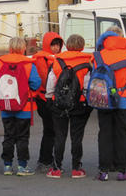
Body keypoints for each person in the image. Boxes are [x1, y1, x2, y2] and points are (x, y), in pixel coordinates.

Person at [0, 37, 41, 176]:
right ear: (23, 48)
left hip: (6, 106)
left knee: (8, 136)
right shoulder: (29, 64)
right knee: (23, 137)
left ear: (10, 47)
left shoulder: (0, 63)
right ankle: (22, 166)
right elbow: (36, 83)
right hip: (24, 107)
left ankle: (7, 165)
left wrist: (2, 97)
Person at [44, 34, 92, 179]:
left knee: (60, 135)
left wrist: (49, 98)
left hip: (59, 103)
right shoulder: (87, 61)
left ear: (67, 45)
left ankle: (56, 168)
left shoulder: (58, 60)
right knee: (76, 137)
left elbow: (51, 82)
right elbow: (88, 85)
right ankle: (76, 168)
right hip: (80, 103)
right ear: (82, 46)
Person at [93, 27, 126, 181]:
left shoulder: (99, 56)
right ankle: (123, 170)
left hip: (104, 99)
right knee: (122, 134)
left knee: (104, 134)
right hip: (123, 99)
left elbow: (95, 77)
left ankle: (104, 171)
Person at [32, 32, 64, 172]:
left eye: (58, 45)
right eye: (53, 44)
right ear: (47, 44)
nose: (56, 48)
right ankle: (45, 160)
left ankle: (45, 159)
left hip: (51, 98)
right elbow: (45, 79)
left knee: (51, 131)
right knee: (51, 131)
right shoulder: (41, 59)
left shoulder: (55, 58)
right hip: (45, 99)